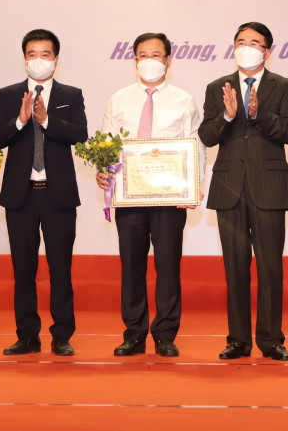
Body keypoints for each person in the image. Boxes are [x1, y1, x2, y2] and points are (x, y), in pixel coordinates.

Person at [96, 33, 205, 358]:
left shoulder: (184, 100)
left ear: (168, 60)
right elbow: (106, 142)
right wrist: (102, 170)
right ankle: (134, 334)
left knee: (168, 266)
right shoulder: (119, 100)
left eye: (156, 55)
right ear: (134, 60)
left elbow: (196, 145)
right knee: (131, 266)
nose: (149, 61)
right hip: (129, 197)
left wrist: (195, 185)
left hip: (170, 198)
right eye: (143, 55)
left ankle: (165, 334)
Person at [198, 22, 288, 361]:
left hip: (269, 187)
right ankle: (237, 340)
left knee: (270, 268)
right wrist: (228, 117)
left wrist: (259, 115)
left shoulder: (284, 86)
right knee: (235, 268)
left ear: (267, 52)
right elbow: (207, 135)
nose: (246, 47)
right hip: (229, 188)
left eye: (254, 43)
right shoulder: (217, 87)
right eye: (241, 41)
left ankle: (271, 340)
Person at [0, 29, 88, 357]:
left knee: (61, 270)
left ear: (56, 59)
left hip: (58, 196)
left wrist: (46, 121)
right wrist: (20, 122)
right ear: (24, 59)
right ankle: (27, 335)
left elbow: (80, 134)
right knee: (23, 271)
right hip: (21, 196)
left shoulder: (71, 94)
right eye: (32, 54)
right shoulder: (8, 94)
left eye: (45, 54)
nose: (39, 60)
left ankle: (62, 335)